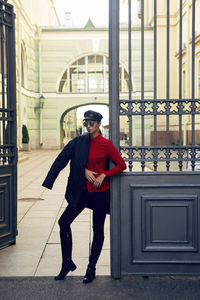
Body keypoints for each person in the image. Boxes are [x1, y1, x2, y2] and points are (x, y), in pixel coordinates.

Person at [42, 110, 126, 283]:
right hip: (82, 192)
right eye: (85, 123)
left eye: (91, 123)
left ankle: (91, 267)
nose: (88, 126)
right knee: (63, 222)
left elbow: (121, 165)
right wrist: (51, 181)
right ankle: (67, 262)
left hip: (101, 194)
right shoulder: (78, 142)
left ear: (98, 124)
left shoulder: (105, 144)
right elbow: (62, 159)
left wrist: (104, 175)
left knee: (98, 229)